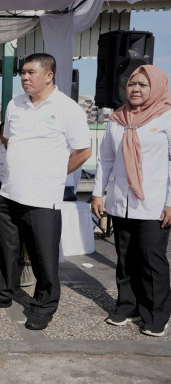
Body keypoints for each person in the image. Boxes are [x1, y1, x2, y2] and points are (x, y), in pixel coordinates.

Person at [0, 53, 91, 331]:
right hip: (11, 192)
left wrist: (54, 173)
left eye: (30, 73)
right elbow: (7, 137)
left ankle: (44, 304)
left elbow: (84, 150)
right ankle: (3, 293)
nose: (24, 77)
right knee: (8, 250)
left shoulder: (67, 108)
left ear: (49, 75)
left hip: (42, 197)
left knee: (43, 255)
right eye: (22, 73)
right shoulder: (16, 104)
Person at [91, 65, 171, 337]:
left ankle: (156, 314)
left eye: (143, 85)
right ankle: (127, 306)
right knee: (125, 258)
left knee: (151, 259)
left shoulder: (167, 117)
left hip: (154, 203)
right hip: (120, 201)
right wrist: (97, 192)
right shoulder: (117, 118)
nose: (135, 89)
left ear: (156, 88)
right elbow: (107, 159)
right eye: (131, 84)